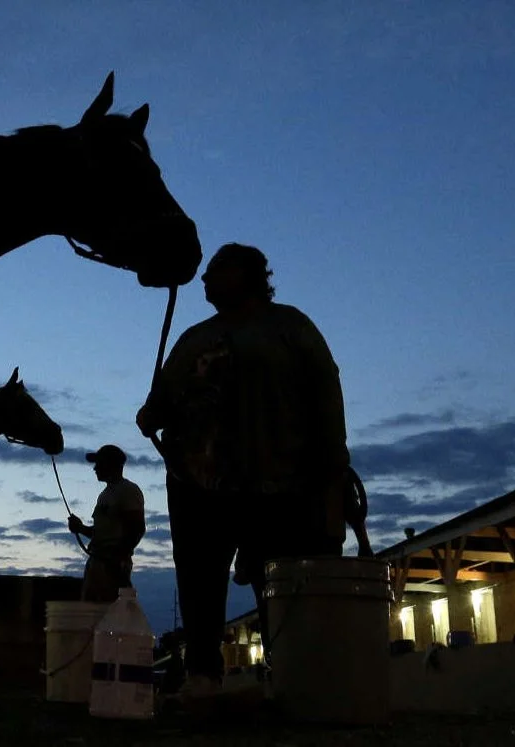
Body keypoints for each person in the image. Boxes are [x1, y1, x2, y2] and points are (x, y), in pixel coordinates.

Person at [135, 242, 362, 696]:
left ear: (248, 274)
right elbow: (160, 403)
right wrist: (151, 414)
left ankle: (292, 674)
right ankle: (203, 674)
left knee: (280, 583)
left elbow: (326, 395)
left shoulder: (290, 327)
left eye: (217, 270)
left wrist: (332, 467)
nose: (204, 280)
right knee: (199, 578)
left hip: (282, 482)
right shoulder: (194, 338)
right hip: (198, 486)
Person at [69, 445, 147, 603]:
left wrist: (118, 557)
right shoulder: (104, 494)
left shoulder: (128, 490)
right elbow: (100, 532)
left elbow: (138, 528)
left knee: (109, 613)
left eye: (99, 463)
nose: (95, 468)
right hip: (98, 562)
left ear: (111, 465)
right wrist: (80, 528)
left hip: (112, 564)